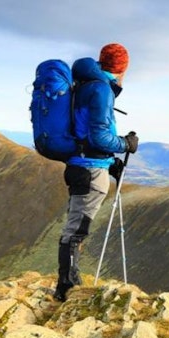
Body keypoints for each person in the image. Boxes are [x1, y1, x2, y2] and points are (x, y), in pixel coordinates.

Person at [56, 43, 138, 299]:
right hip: (89, 172)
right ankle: (66, 289)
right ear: (122, 68)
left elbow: (85, 134)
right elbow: (100, 137)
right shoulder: (101, 89)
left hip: (82, 165)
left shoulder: (85, 84)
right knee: (76, 230)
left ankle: (70, 282)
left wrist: (109, 162)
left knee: (76, 226)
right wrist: (125, 144)